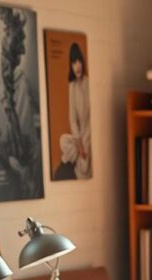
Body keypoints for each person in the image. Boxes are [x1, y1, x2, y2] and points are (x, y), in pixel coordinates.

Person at [56, 42, 91, 180]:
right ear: (71, 65)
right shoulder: (71, 86)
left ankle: (78, 156)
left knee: (84, 167)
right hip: (79, 138)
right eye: (73, 62)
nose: (77, 65)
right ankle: (77, 152)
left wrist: (85, 145)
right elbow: (72, 119)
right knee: (63, 140)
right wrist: (79, 144)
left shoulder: (89, 83)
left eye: (79, 61)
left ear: (82, 62)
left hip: (90, 136)